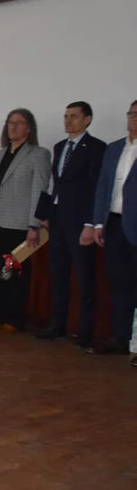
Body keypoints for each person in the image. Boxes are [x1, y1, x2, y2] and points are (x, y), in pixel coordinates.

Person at [33, 102, 106, 349]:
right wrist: (45, 213)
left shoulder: (96, 148)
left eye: (74, 116)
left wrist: (90, 223)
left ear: (87, 120)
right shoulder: (60, 147)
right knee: (58, 274)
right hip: (58, 219)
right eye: (66, 116)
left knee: (85, 278)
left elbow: (95, 187)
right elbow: (56, 183)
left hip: (80, 221)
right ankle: (57, 324)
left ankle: (85, 331)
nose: (68, 121)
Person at [0, 110, 52, 333]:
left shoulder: (38, 154)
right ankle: (0, 316)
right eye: (10, 123)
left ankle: (14, 319)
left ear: (29, 128)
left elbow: (39, 192)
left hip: (20, 225)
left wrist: (34, 225)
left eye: (19, 123)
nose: (13, 127)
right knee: (0, 271)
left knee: (16, 273)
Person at [91, 100, 137, 361]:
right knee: (119, 283)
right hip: (115, 224)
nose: (134, 118)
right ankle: (120, 337)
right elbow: (102, 187)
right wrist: (98, 223)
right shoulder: (114, 148)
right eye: (131, 114)